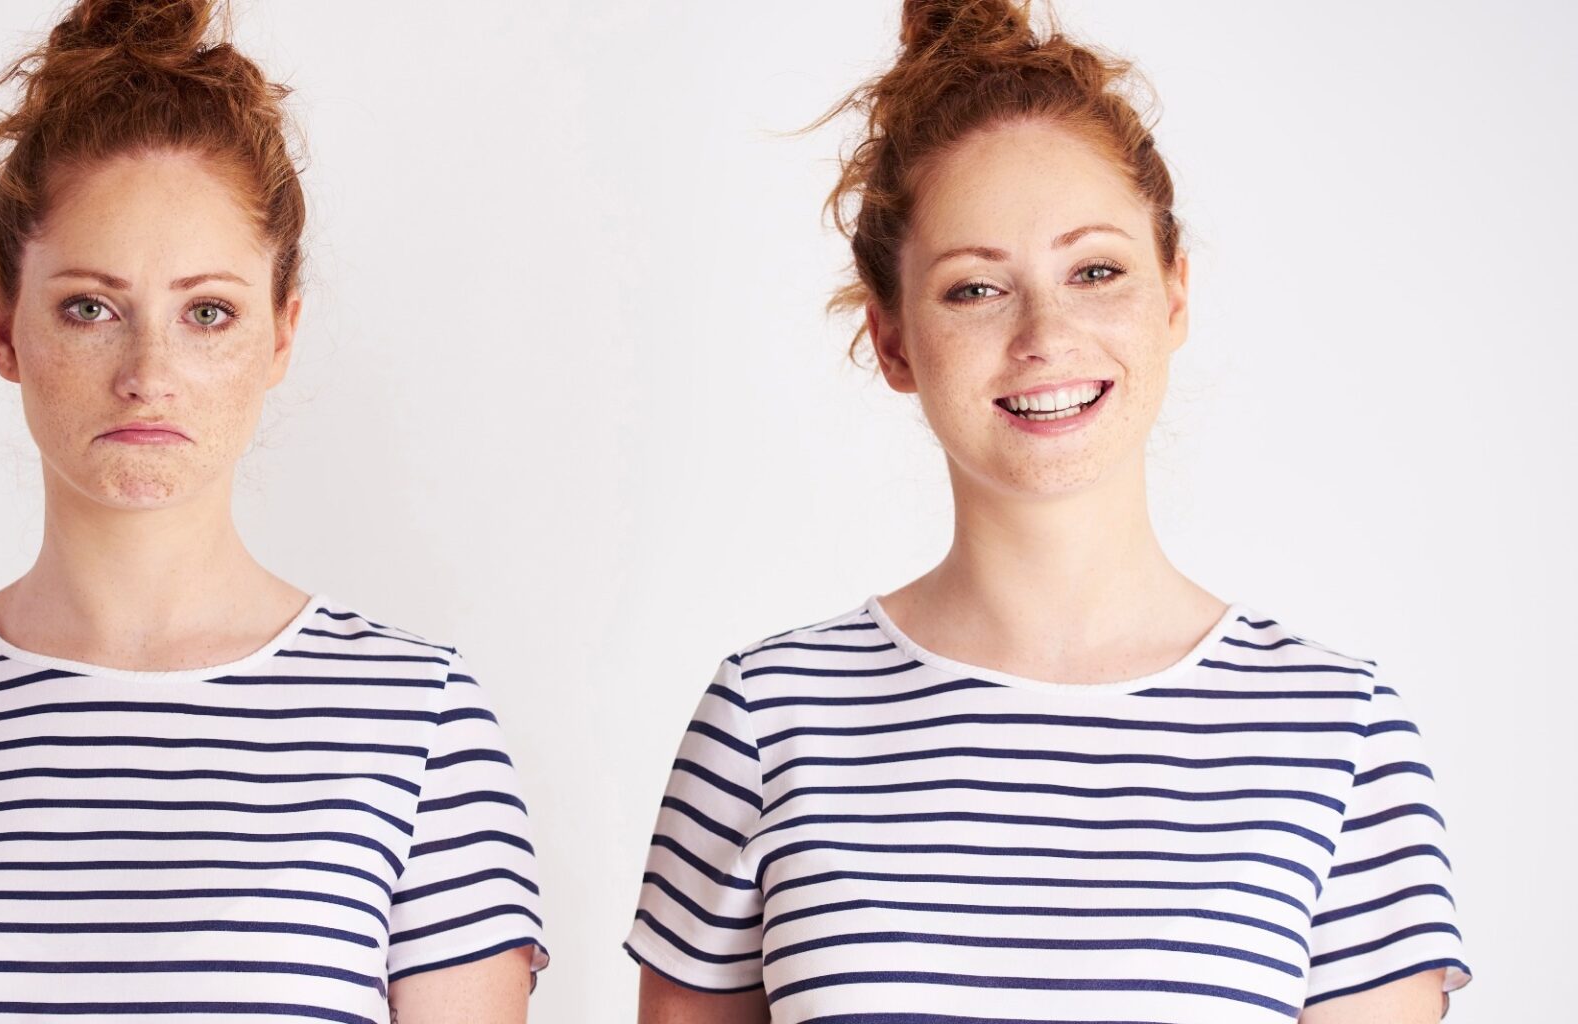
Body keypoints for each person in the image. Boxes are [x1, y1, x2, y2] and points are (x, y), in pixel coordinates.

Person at [625, 1, 1470, 1021]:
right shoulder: (768, 720)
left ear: (1174, 297)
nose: (1045, 335)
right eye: (976, 289)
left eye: (1096, 271)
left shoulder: (1340, 733)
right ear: (894, 343)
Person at [0, 2, 544, 1021]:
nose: (149, 374)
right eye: (91, 308)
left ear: (280, 335)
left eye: (207, 312)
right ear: (3, 325)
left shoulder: (419, 719)